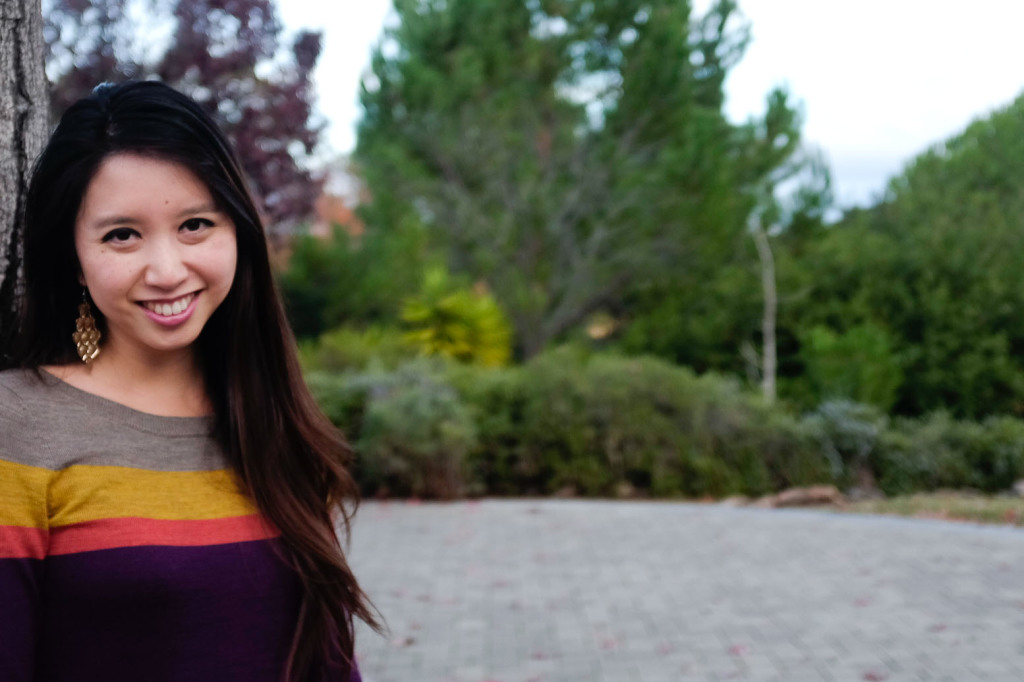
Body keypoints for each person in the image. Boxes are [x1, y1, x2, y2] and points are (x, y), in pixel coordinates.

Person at [0, 81, 379, 681]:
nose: (168, 270)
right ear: (73, 257)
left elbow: (329, 664)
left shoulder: (273, 419)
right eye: (121, 234)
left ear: (238, 233)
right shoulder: (17, 428)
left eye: (196, 225)